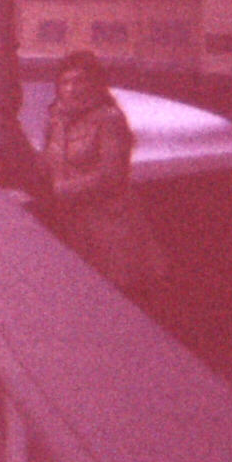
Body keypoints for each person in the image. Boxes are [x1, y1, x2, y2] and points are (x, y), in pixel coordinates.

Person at [39, 50, 159, 294]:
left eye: (79, 81)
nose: (71, 89)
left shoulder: (109, 120)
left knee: (110, 298)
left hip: (108, 228)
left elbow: (111, 176)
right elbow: (47, 163)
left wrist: (57, 191)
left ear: (95, 84)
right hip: (71, 225)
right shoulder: (55, 120)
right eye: (65, 82)